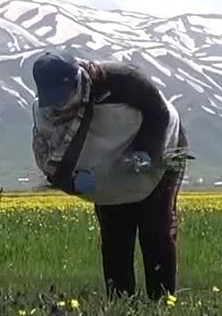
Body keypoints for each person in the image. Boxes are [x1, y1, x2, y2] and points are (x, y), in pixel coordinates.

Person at [28, 50, 189, 299]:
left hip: (160, 153)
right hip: (107, 173)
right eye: (52, 99)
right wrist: (72, 183)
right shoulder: (47, 114)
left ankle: (163, 302)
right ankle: (120, 303)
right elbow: (50, 160)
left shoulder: (120, 80)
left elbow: (160, 113)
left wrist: (146, 153)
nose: (58, 105)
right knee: (115, 235)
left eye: (62, 96)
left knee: (156, 229)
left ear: (75, 81)